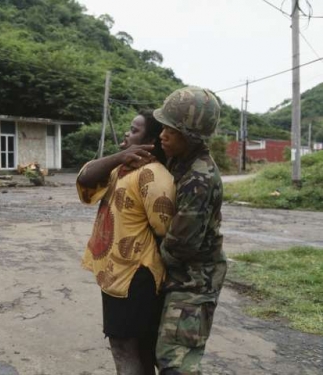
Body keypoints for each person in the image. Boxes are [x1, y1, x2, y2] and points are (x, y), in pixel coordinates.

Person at [77, 111, 176, 375]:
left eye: (134, 131)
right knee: (132, 347)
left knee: (126, 348)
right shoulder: (120, 169)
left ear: (151, 141)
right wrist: (120, 156)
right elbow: (85, 178)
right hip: (116, 276)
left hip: (136, 277)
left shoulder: (153, 176)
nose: (126, 133)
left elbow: (165, 230)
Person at [153, 87, 227, 375]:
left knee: (176, 361)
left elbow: (181, 246)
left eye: (170, 130)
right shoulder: (180, 161)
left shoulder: (198, 178)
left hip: (193, 283)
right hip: (180, 277)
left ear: (191, 135)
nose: (162, 135)